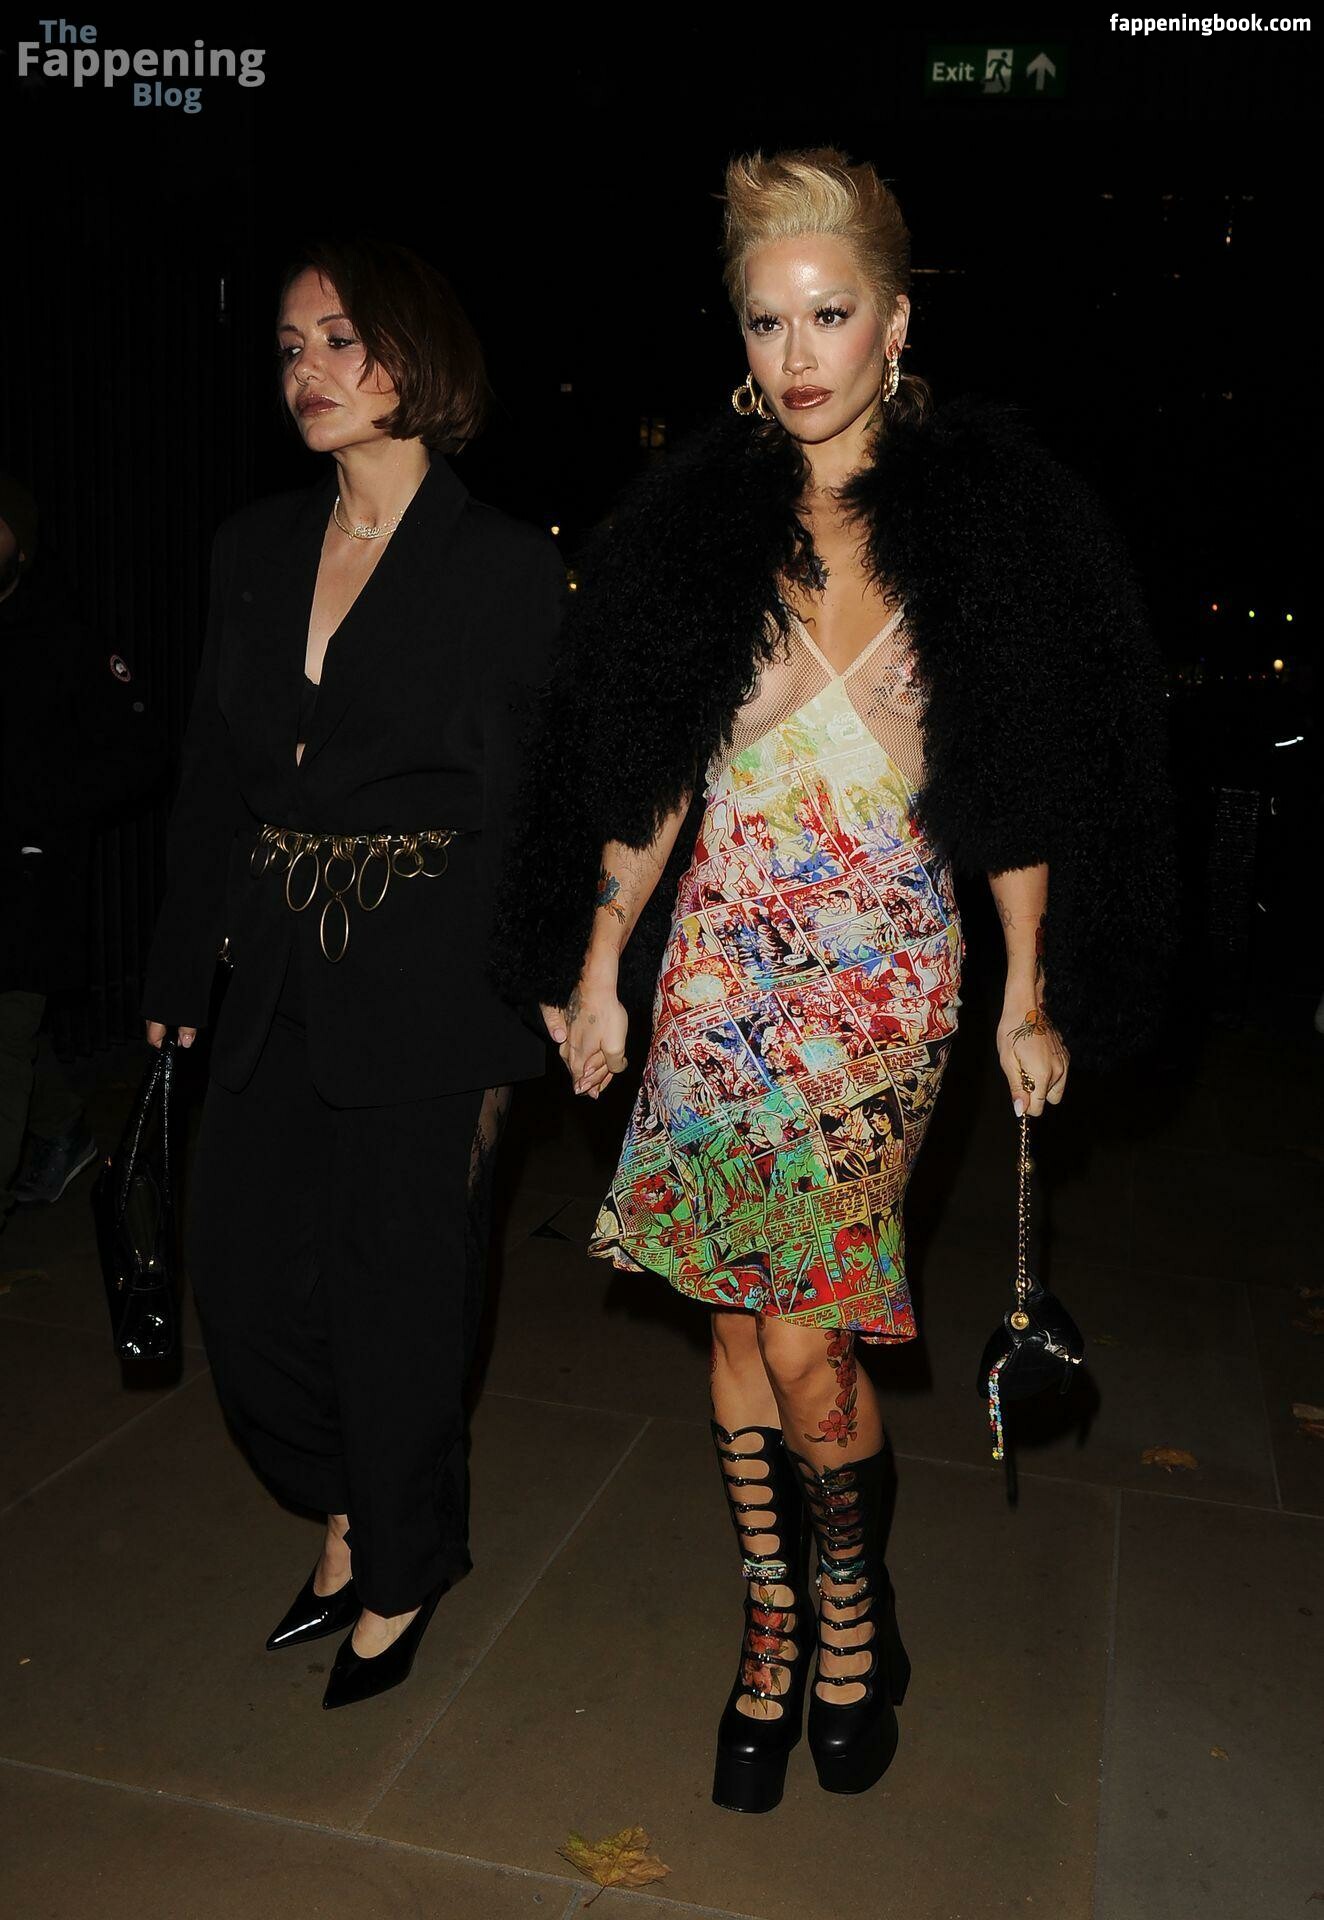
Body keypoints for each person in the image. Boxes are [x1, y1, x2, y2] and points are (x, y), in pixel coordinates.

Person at [495, 150, 1173, 1811]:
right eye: (765, 319)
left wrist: (1026, 987)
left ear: (894, 322)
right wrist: (599, 966)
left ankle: (851, 1607)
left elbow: (1012, 784)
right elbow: (649, 779)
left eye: (829, 313)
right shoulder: (702, 528)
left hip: (882, 992)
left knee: (808, 1343)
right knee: (734, 1326)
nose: (797, 353)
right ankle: (771, 1612)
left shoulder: (978, 527)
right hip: (716, 979)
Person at [142, 240, 564, 1710]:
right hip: (272, 967)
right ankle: (344, 1496)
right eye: (288, 346)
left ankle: (397, 1561)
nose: (305, 371)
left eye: (338, 339)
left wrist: (560, 980)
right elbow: (211, 770)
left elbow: (542, 801)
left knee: (403, 1303)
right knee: (242, 1287)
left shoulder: (503, 567)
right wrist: (177, 963)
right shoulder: (253, 547)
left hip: (434, 978)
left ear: (415, 356)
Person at [1, 476, 161, 1223]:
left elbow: (140, 751)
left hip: (28, 883)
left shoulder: (63, 636)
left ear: (21, 543)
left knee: (5, 1028)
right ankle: (63, 1131)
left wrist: (43, 806)